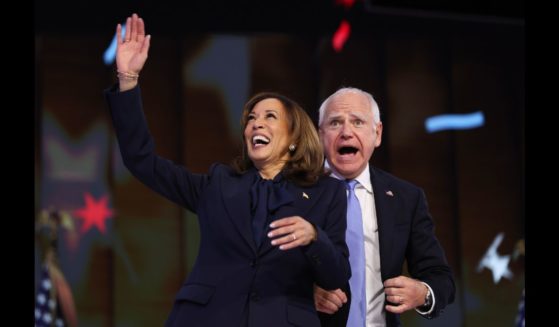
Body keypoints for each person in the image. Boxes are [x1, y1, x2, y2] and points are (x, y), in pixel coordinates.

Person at [104, 14, 350, 327]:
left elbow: (338, 274)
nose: (256, 123)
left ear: (294, 139)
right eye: (251, 118)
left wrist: (314, 237)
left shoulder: (326, 193)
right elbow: (142, 161)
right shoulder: (218, 184)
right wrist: (128, 81)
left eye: (270, 116)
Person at [314, 87, 455, 327]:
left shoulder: (407, 198)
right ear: (320, 135)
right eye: (335, 123)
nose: (346, 132)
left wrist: (422, 293)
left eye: (358, 122)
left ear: (377, 134)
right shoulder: (293, 191)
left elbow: (440, 277)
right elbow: (261, 272)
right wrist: (303, 293)